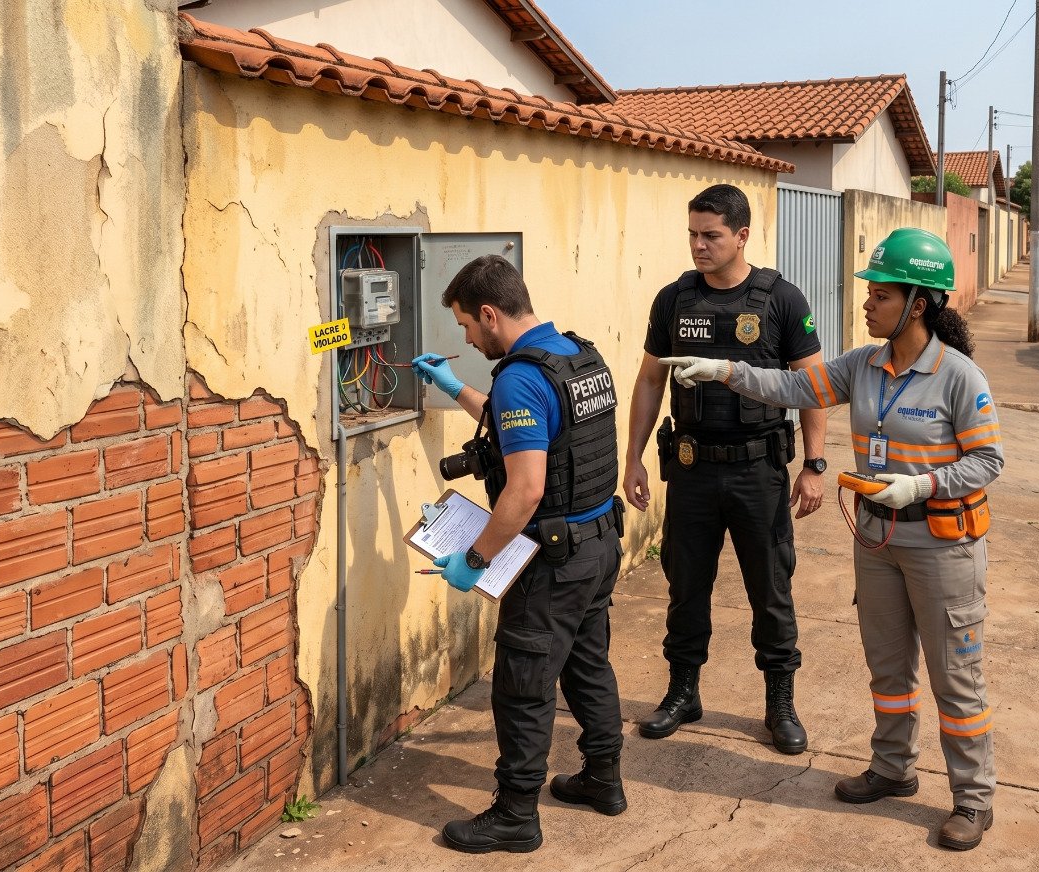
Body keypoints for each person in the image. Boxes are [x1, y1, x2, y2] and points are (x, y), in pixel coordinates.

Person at [660, 228, 1004, 851]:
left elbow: (988, 462)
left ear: (917, 304)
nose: (867, 305)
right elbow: (794, 388)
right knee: (887, 666)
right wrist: (728, 371)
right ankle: (893, 768)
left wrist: (921, 487)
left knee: (956, 676)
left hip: (941, 545)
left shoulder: (959, 376)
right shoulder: (863, 365)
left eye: (879, 295)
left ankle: (973, 800)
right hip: (876, 542)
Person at [411, 255, 627, 854]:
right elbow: (528, 430)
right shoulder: (577, 356)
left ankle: (515, 815)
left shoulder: (520, 377)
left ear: (489, 313)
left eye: (465, 327)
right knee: (588, 666)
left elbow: (526, 487)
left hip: (552, 563)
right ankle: (603, 780)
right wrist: (456, 389)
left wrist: (474, 560)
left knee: (524, 684)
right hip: (599, 543)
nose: (466, 338)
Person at [623, 183, 828, 755]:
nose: (698, 245)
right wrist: (634, 455)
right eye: (692, 233)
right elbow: (649, 379)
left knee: (771, 588)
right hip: (689, 469)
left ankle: (779, 702)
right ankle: (683, 692)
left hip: (757, 471)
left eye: (710, 235)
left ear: (742, 236)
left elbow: (812, 385)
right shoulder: (674, 300)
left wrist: (812, 465)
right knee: (685, 586)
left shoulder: (782, 300)